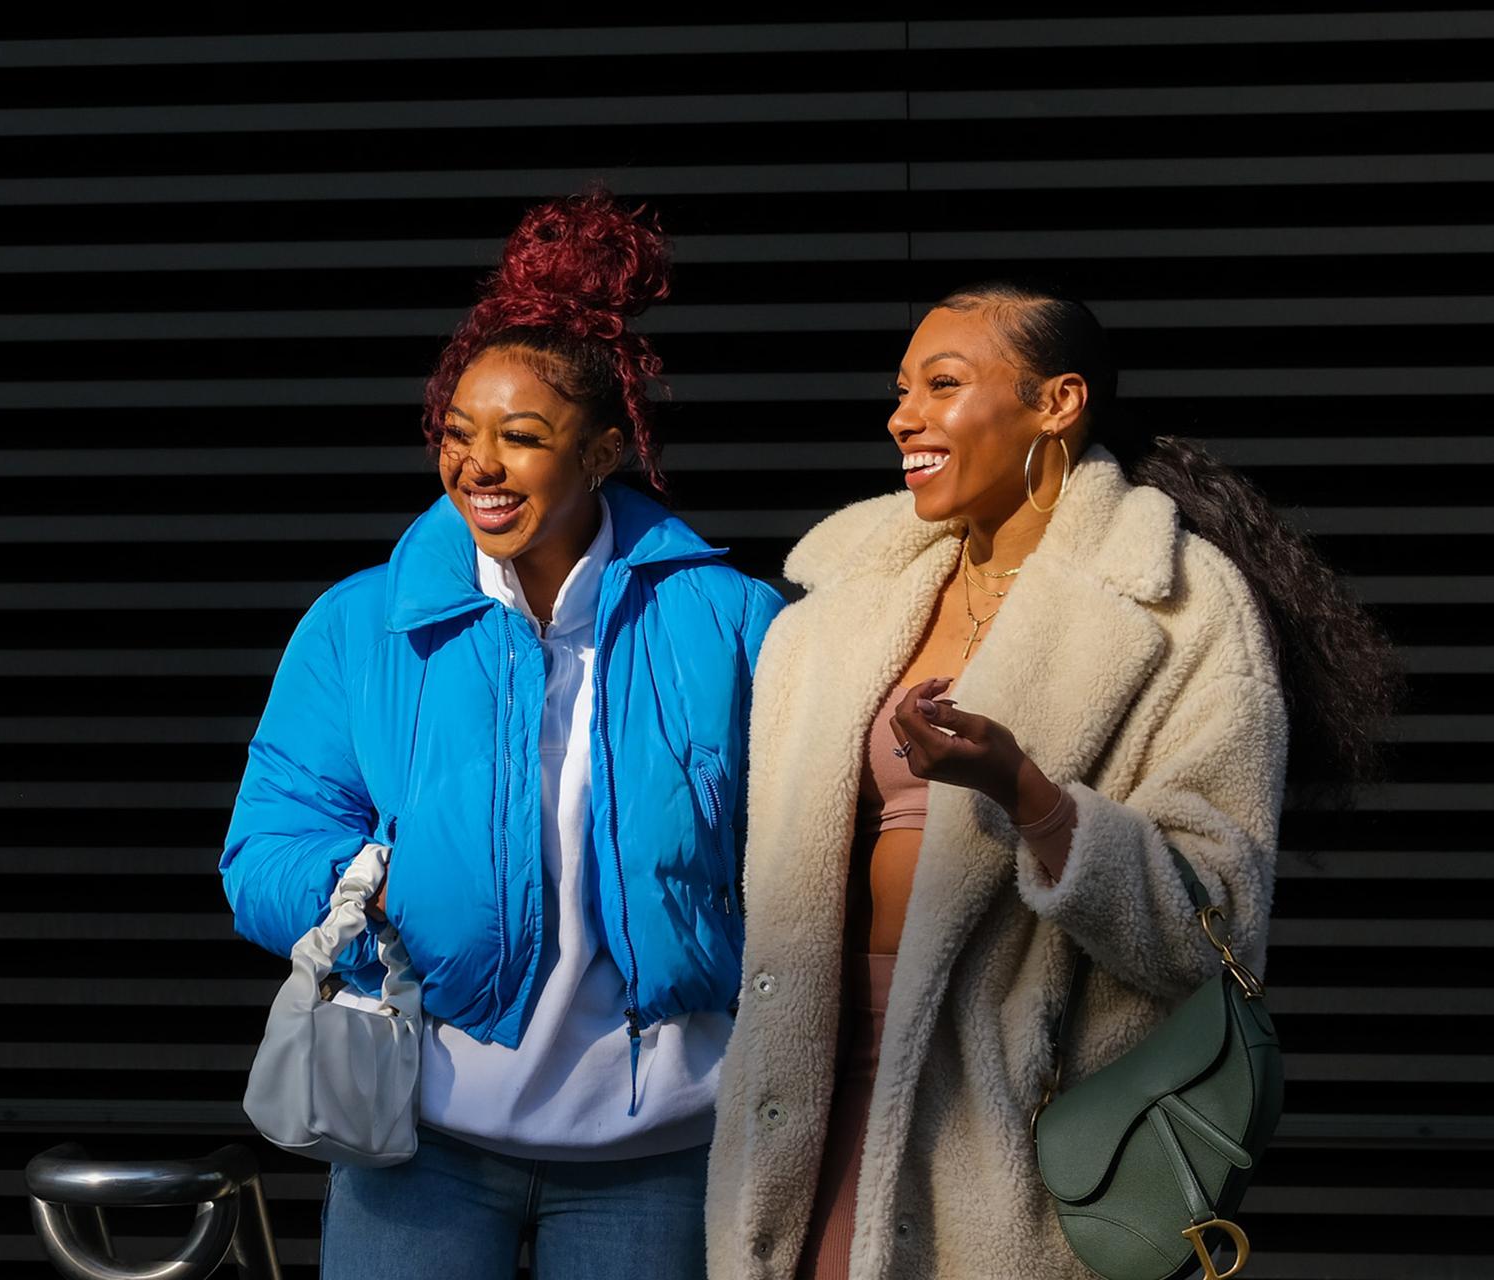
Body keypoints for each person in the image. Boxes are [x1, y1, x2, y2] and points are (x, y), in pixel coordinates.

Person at [704, 281, 1399, 1279]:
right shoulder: (837, 608)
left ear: (1057, 403)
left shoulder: (1177, 611)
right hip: (803, 1105)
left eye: (943, 384)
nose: (904, 414)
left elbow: (1216, 926)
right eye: (902, 388)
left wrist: (1025, 790)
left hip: (1003, 1137)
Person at [221, 188, 785, 1280]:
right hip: (421, 1137)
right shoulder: (362, 623)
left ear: (606, 449)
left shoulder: (732, 620)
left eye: (522, 437)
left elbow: (804, 854)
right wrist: (373, 883)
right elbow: (262, 852)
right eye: (459, 433)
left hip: (660, 1147)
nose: (479, 464)